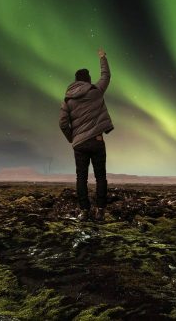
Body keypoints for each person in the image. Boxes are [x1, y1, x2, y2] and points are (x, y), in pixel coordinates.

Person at [59, 47, 114, 222]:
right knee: (100, 177)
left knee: (81, 178)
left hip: (79, 145)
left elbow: (62, 123)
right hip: (97, 141)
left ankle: (84, 211)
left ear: (75, 82)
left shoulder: (68, 100)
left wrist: (72, 138)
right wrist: (102, 57)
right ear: (88, 80)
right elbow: (106, 76)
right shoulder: (96, 91)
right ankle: (100, 211)